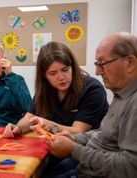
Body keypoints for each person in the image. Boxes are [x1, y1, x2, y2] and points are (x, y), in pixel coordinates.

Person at [3, 41, 109, 178]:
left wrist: (47, 124)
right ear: (44, 75)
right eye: (52, 73)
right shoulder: (44, 91)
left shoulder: (92, 89)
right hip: (54, 148)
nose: (61, 77)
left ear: (73, 67)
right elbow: (29, 118)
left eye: (65, 70)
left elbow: (79, 131)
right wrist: (17, 128)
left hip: (84, 152)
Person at [46, 32, 137, 178]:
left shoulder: (134, 103)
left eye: (103, 63)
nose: (97, 71)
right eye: (97, 64)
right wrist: (74, 138)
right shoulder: (121, 94)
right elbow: (102, 133)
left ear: (130, 63)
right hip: (84, 167)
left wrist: (74, 150)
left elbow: (131, 167)